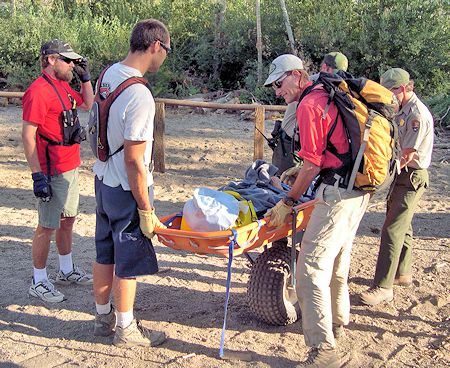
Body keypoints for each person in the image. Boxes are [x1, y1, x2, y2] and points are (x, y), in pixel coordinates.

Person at [264, 54, 370, 368]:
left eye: (279, 83)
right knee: (337, 257)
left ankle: (324, 351)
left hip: (337, 194)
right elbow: (324, 153)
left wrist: (287, 203)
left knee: (309, 269)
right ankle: (337, 321)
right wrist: (302, 169)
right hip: (358, 188)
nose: (277, 91)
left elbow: (312, 163)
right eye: (274, 86)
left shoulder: (310, 104)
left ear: (297, 75)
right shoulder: (326, 94)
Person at [92, 19, 169, 347]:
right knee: (129, 257)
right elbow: (135, 160)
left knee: (104, 250)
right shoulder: (140, 94)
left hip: (101, 179)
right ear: (155, 46)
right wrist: (145, 207)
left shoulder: (108, 74)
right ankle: (126, 329)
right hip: (126, 187)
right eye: (166, 50)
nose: (164, 57)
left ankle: (102, 316)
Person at [22, 39, 94, 303]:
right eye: (68, 60)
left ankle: (66, 269)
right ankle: (38, 280)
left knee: (68, 220)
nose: (72, 65)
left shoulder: (63, 86)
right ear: (51, 60)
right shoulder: (38, 91)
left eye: (75, 61)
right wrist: (37, 175)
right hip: (51, 168)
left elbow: (88, 104)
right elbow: (28, 136)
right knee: (46, 225)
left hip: (70, 164)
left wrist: (85, 77)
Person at [360, 68, 434, 306]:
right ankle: (402, 272)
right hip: (403, 173)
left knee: (392, 229)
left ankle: (383, 286)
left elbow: (406, 155)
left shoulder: (416, 115)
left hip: (411, 175)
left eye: (390, 90)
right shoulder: (401, 108)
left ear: (402, 89)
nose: (387, 95)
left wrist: (381, 179)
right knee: (403, 223)